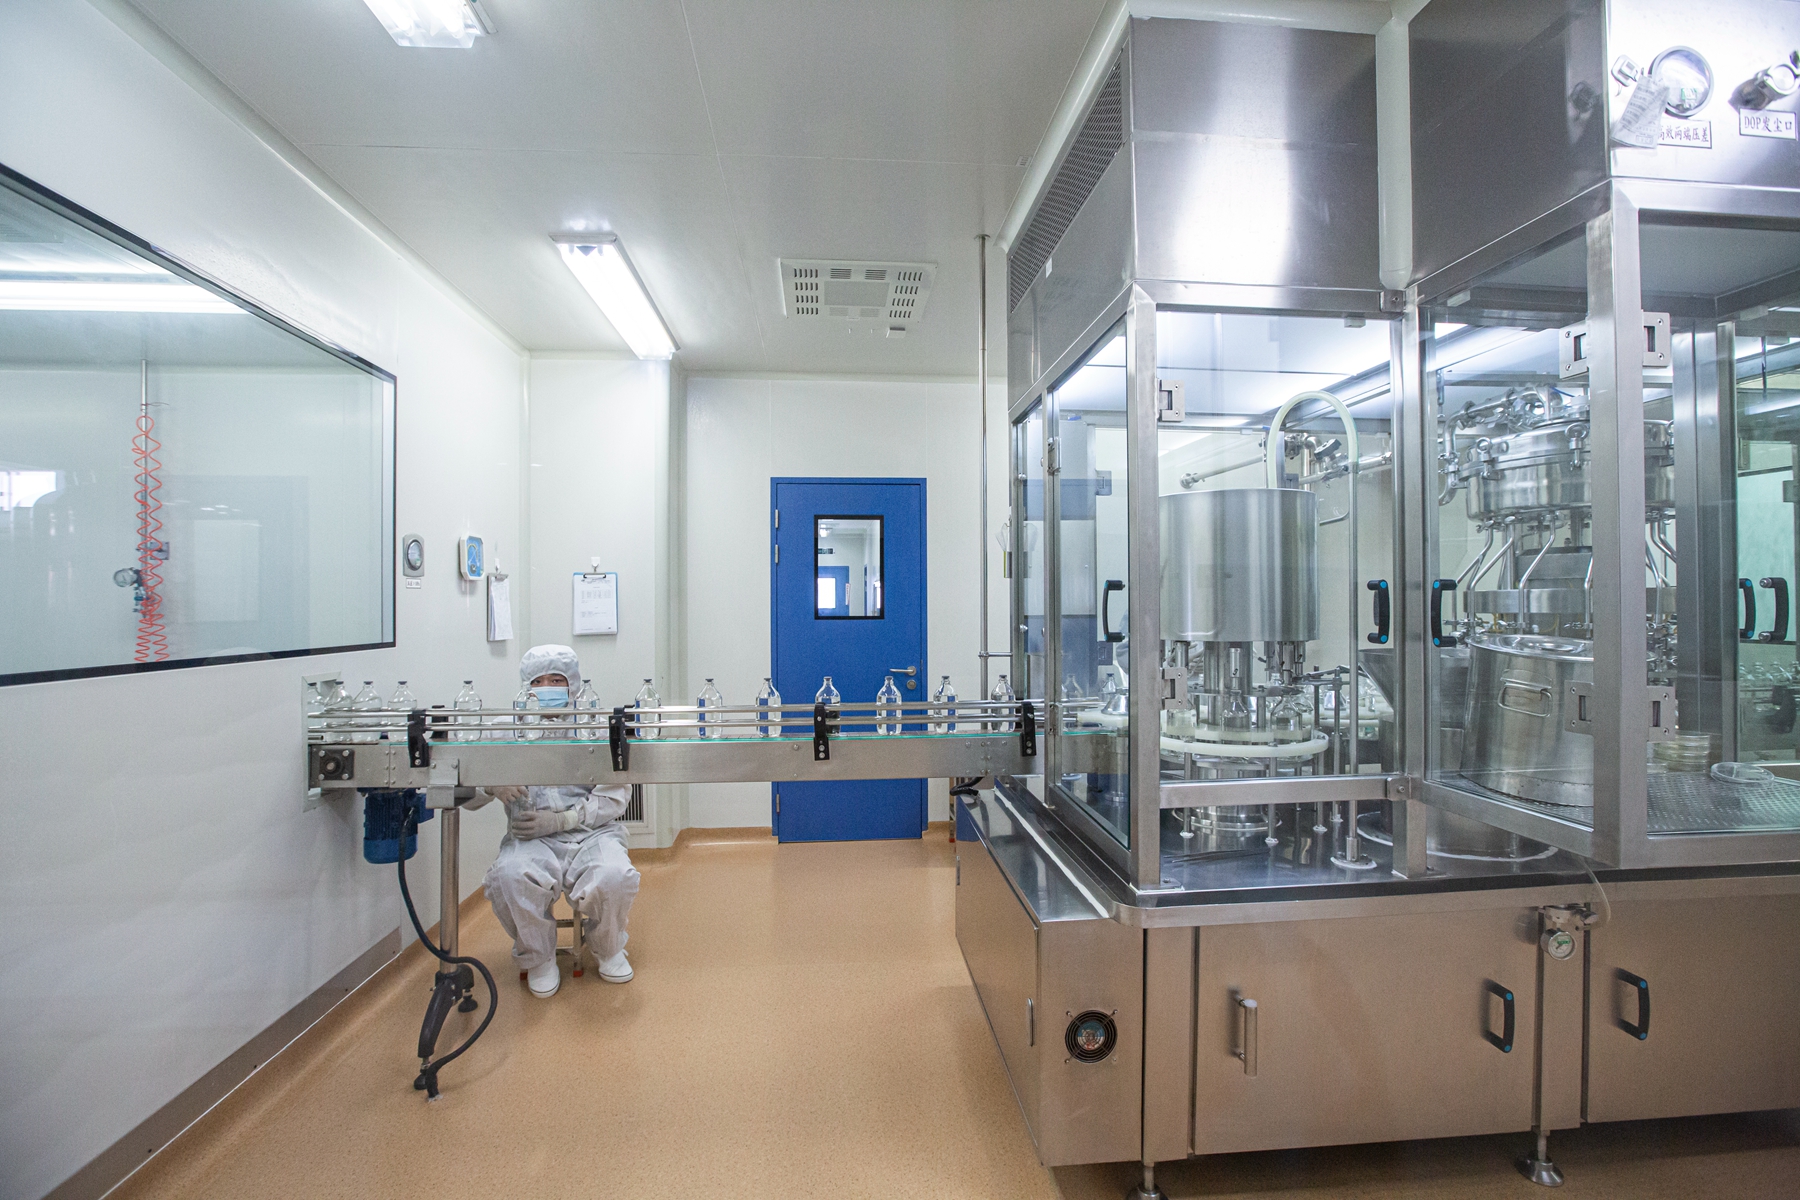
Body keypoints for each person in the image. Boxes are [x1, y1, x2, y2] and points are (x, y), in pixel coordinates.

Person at [475, 645, 639, 999]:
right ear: (525, 686)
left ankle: (609, 948)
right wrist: (491, 785)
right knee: (510, 876)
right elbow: (466, 783)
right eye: (537, 681)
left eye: (556, 680)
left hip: (591, 834)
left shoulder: (594, 727)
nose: (546, 688)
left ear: (573, 684)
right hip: (530, 837)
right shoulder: (506, 729)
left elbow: (616, 795)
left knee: (614, 876)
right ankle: (539, 957)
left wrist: (563, 819)